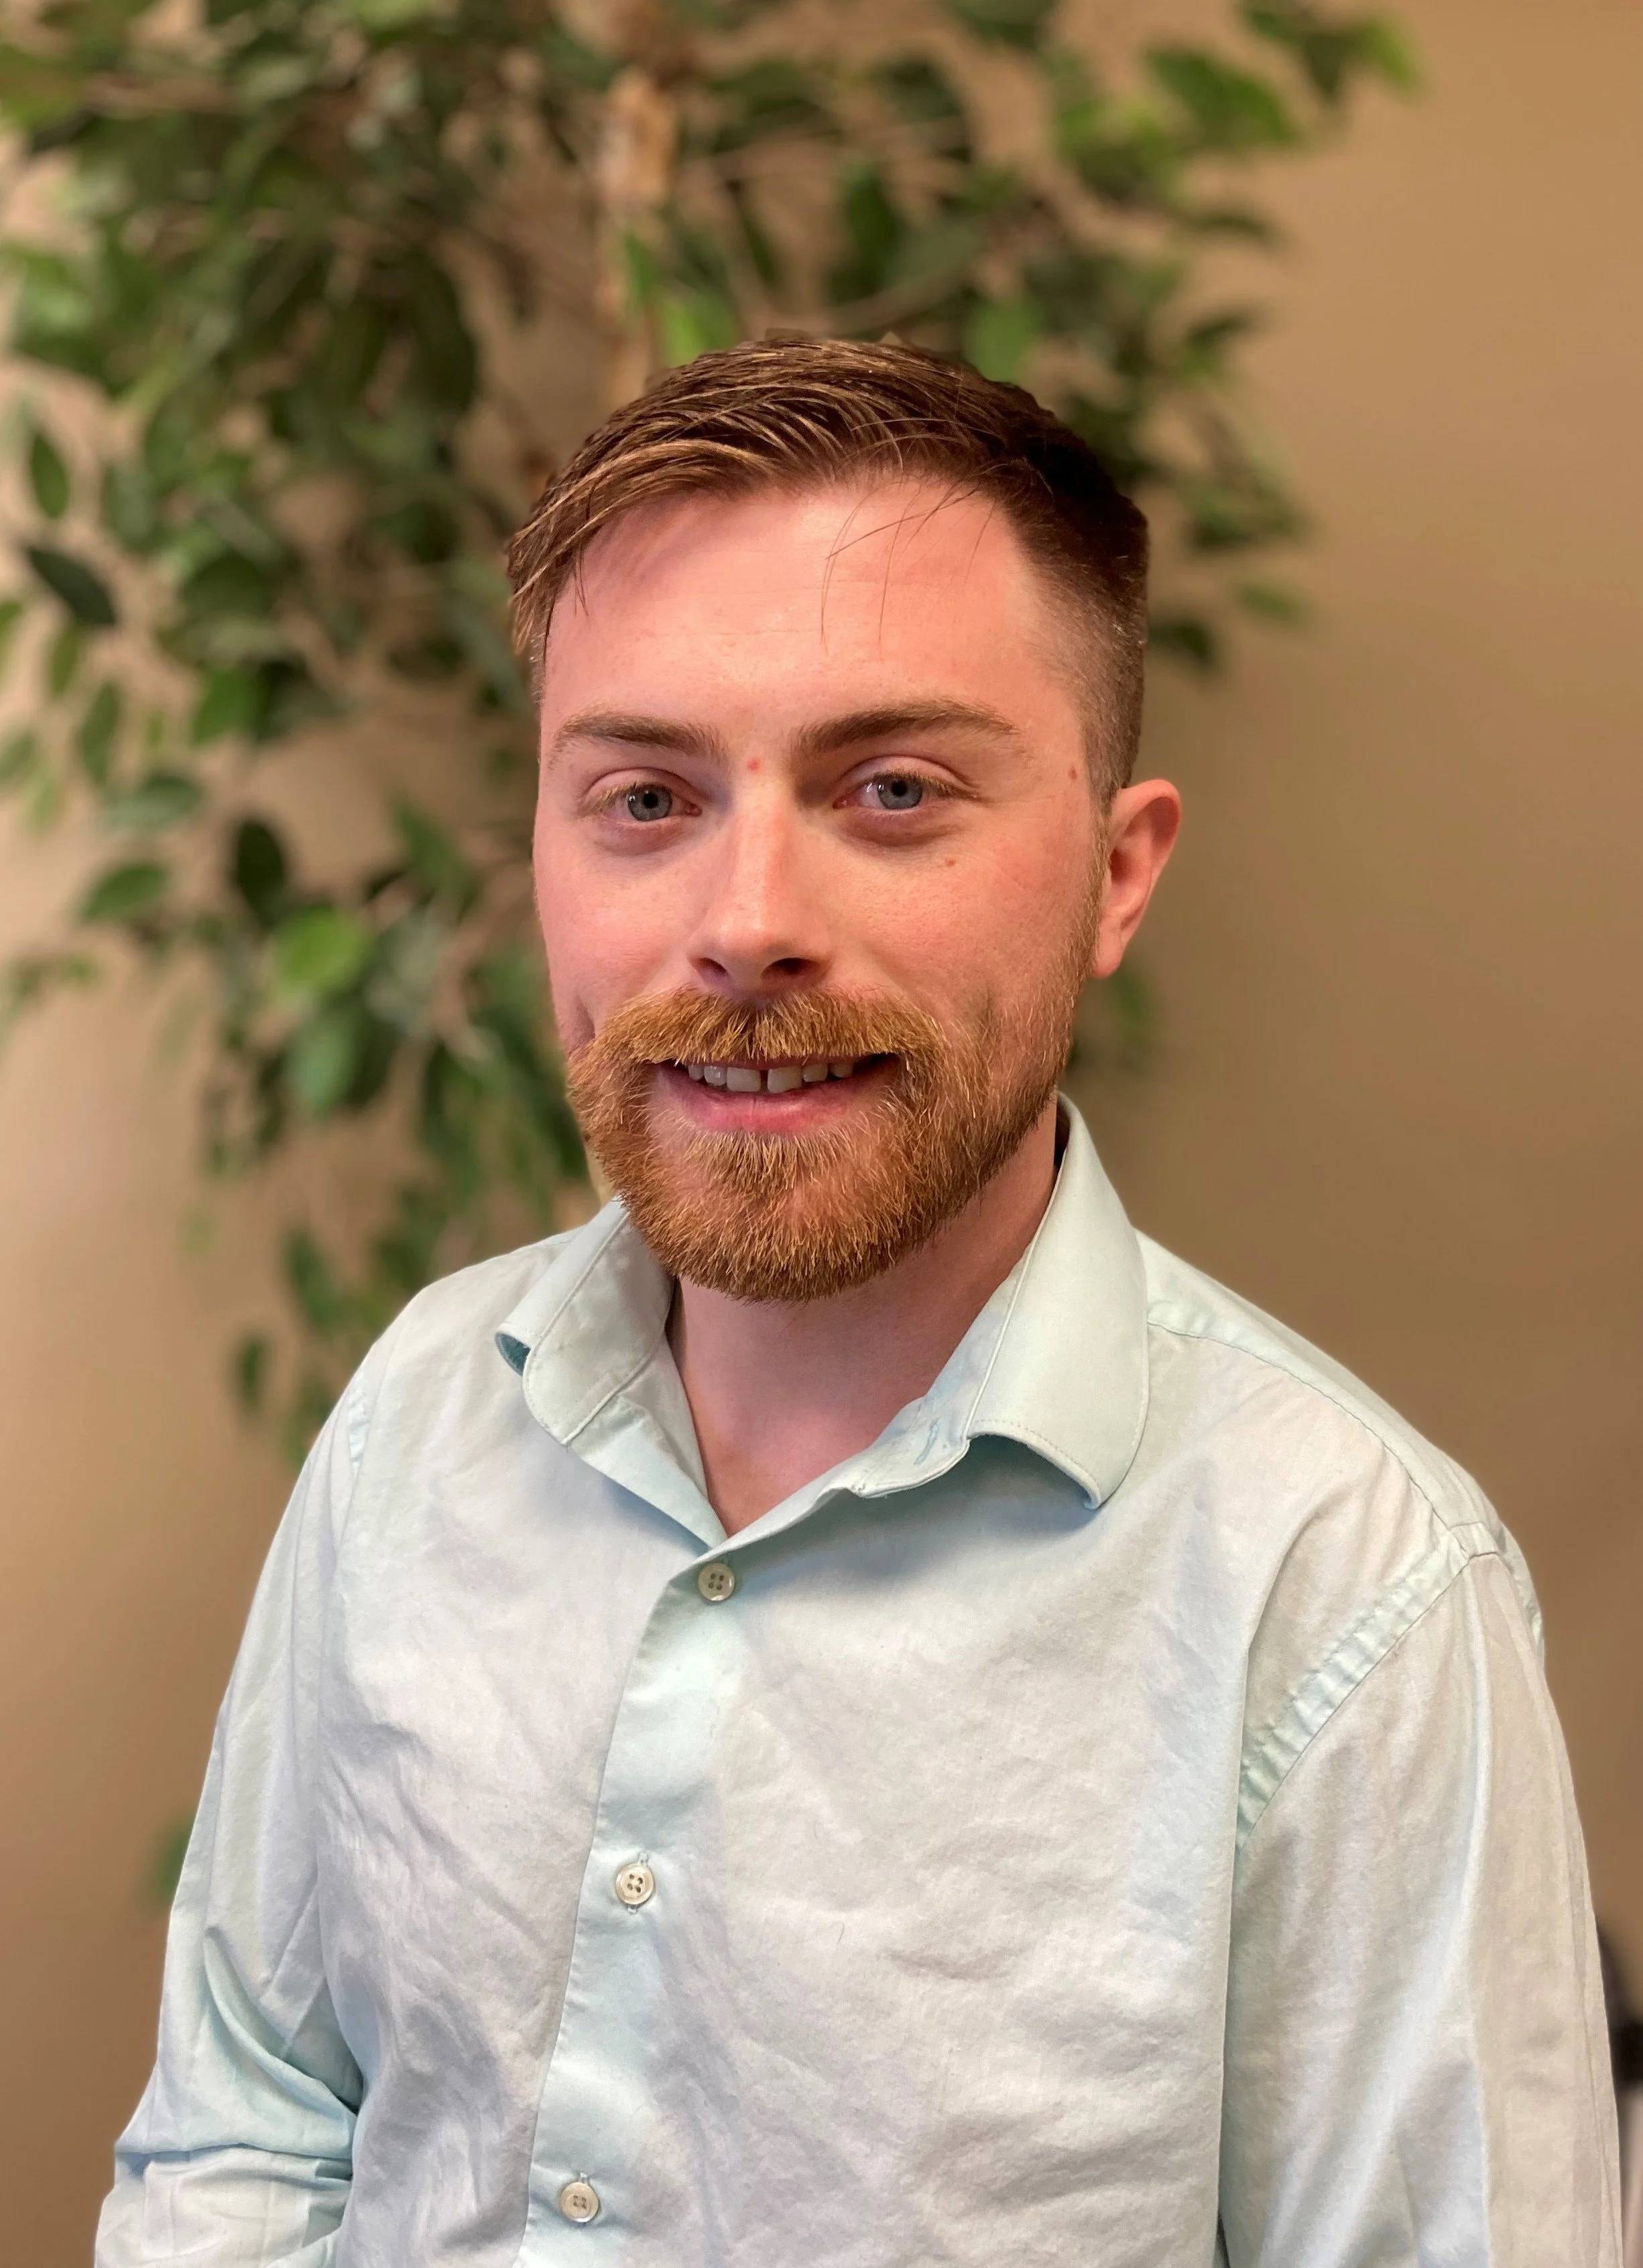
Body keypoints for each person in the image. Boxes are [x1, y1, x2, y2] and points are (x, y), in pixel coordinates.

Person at [98, 339, 1620, 2265]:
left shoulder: (1346, 1598)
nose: (743, 921)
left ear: (1118, 877)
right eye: (643, 798)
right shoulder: (421, 1411)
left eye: (892, 790)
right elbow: (251, 2132)